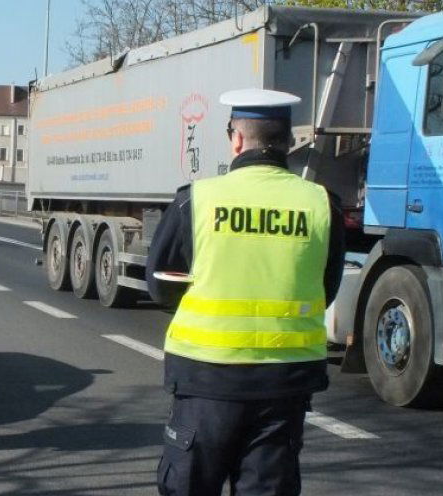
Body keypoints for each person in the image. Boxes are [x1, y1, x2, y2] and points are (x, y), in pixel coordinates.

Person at [147, 89, 345, 495]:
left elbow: (160, 286)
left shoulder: (197, 201)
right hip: (284, 383)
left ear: (236, 139)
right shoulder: (322, 205)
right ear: (289, 142)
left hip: (207, 377)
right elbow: (327, 286)